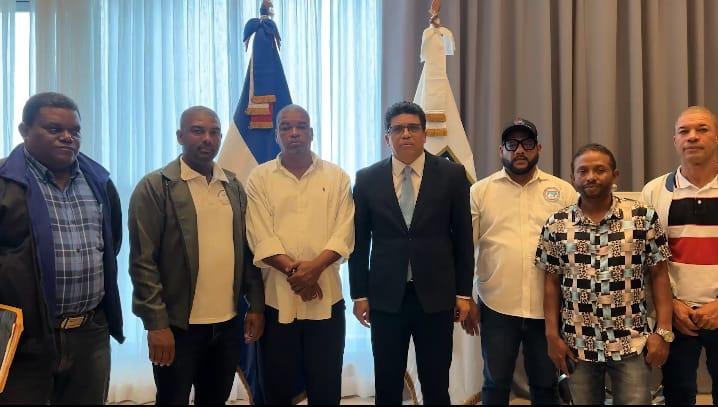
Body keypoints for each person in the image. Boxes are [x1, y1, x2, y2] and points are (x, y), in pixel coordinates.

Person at [128, 106, 264, 404]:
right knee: (172, 399)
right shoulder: (155, 187)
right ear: (180, 136)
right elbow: (143, 263)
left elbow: (248, 252)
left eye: (214, 132)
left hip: (227, 325)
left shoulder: (233, 186)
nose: (207, 139)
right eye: (198, 131)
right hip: (178, 327)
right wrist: (156, 324)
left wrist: (255, 304)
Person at [0, 92, 124, 404]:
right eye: (54, 129)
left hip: (89, 336)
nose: (68, 137)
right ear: (25, 130)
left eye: (75, 131)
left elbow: (112, 245)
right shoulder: (4, 182)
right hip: (24, 338)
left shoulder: (99, 182)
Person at [349, 101, 474, 405]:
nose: (405, 134)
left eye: (413, 128)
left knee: (435, 382)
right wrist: (359, 294)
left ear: (424, 134)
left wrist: (463, 293)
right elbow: (358, 242)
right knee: (387, 381)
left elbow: (463, 239)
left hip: (436, 296)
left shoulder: (452, 175)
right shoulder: (367, 179)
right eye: (398, 129)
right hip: (385, 297)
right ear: (387, 137)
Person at [537, 143, 674, 405]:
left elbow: (660, 276)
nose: (591, 177)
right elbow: (551, 283)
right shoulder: (556, 224)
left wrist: (663, 332)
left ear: (615, 175)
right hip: (578, 344)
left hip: (631, 342)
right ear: (573, 178)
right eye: (583, 171)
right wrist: (552, 336)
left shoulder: (643, 218)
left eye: (600, 170)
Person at [245, 104, 354, 405]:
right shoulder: (259, 178)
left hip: (326, 301)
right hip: (277, 301)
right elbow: (259, 235)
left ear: (311, 133)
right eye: (286, 127)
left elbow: (344, 233)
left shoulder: (337, 177)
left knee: (326, 388)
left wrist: (314, 270)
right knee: (276, 389)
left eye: (301, 127)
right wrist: (300, 275)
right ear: (276, 135)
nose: (294, 133)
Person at [462, 117, 575, 404]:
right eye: (512, 144)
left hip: (548, 307)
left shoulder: (562, 191)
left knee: (545, 385)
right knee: (495, 383)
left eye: (527, 143)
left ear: (539, 148)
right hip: (497, 304)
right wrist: (465, 296)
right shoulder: (480, 191)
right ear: (501, 150)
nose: (520, 150)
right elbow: (465, 247)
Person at [641, 106, 718, 405]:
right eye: (684, 131)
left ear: (716, 137)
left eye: (702, 129)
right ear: (675, 141)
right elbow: (645, 259)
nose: (692, 137)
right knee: (678, 394)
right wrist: (670, 304)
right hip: (676, 315)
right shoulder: (654, 192)